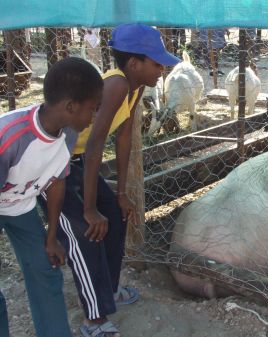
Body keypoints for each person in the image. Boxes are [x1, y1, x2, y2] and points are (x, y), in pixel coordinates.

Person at [39, 23, 180, 337]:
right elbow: (93, 148)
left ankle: (109, 290)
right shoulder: (116, 84)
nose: (162, 68)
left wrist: (120, 194)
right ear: (134, 63)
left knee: (116, 217)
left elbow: (125, 139)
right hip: (53, 166)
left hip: (77, 163)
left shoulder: (135, 87)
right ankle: (94, 321)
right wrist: (90, 208)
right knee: (87, 231)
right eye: (156, 63)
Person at [0, 57, 104, 337]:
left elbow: (55, 180)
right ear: (71, 107)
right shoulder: (10, 138)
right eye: (92, 109)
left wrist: (51, 236)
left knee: (46, 270)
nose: (94, 118)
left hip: (18, 205)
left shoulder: (68, 133)